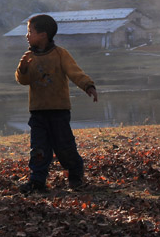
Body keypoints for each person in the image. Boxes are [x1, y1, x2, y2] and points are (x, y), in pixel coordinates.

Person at [15, 14, 98, 194]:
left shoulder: (60, 54)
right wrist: (22, 69)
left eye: (30, 32)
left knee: (64, 146)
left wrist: (88, 85)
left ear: (43, 35)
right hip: (37, 112)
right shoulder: (29, 56)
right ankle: (37, 180)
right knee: (38, 148)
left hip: (59, 111)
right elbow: (24, 80)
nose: (27, 35)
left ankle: (75, 177)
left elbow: (75, 72)